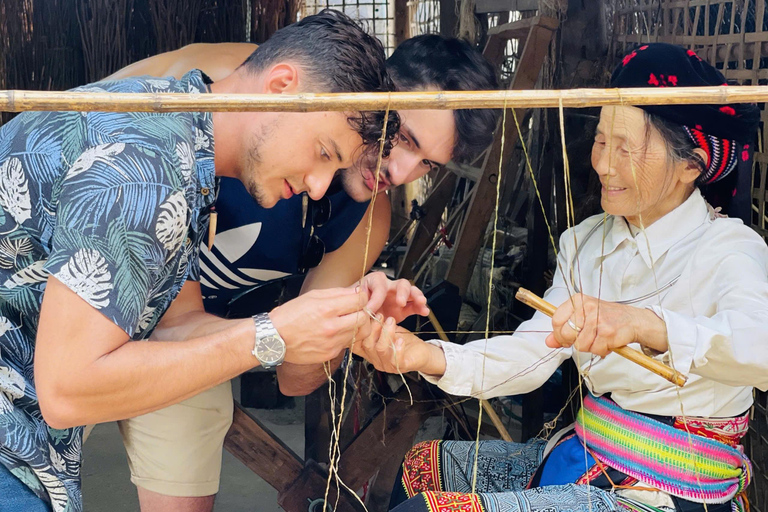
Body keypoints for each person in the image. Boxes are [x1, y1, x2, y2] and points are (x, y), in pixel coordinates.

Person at [0, 10, 428, 512]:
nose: (317, 185)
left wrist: (330, 319)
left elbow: (176, 324)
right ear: (282, 86)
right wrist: (271, 335)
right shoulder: (147, 171)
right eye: (323, 152)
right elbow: (67, 391)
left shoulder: (176, 131)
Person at [356, 43, 768, 512]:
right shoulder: (585, 243)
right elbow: (535, 352)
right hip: (590, 456)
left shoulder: (730, 248)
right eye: (601, 140)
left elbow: (760, 351)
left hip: (667, 491)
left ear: (691, 165)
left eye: (626, 149)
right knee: (423, 467)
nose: (604, 164)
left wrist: (644, 324)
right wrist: (426, 356)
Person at [104, 35, 499, 512]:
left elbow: (294, 377)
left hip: (185, 337)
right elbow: (81, 125)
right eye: (405, 138)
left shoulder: (364, 218)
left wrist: (348, 321)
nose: (401, 170)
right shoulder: (252, 78)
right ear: (373, 86)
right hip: (78, 275)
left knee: (197, 418)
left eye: (427, 164)